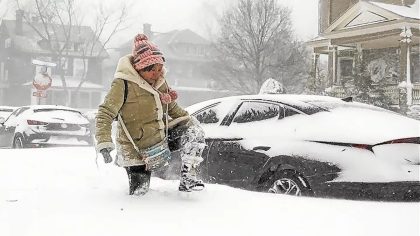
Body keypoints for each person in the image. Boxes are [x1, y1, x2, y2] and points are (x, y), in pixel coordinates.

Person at [95, 34, 205, 195]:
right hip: (135, 148)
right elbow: (105, 113)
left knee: (194, 131)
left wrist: (190, 119)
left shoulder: (160, 82)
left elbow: (171, 107)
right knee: (140, 194)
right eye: (152, 70)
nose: (157, 73)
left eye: (160, 69)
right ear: (140, 68)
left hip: (160, 138)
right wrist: (104, 143)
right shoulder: (123, 84)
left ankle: (189, 178)